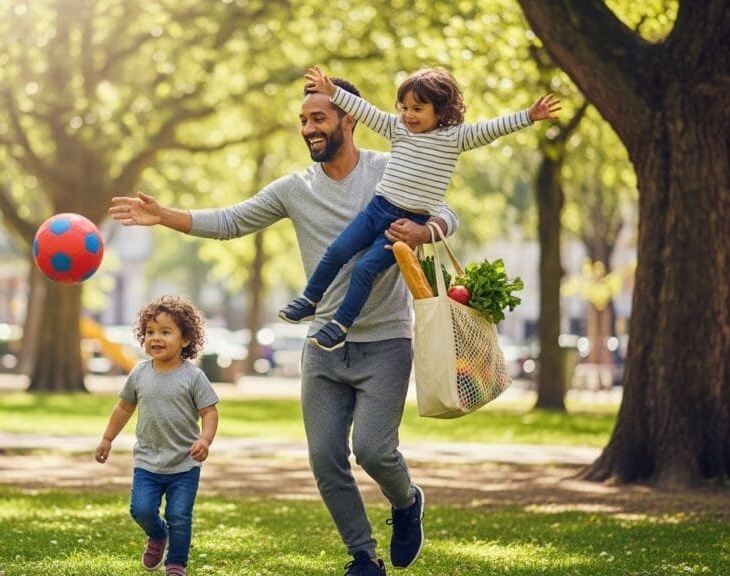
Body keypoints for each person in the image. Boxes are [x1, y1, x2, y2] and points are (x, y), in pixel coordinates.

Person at [109, 77, 458, 575]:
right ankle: (363, 556)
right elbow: (231, 221)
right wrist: (164, 215)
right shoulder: (296, 189)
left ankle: (407, 503)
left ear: (348, 117)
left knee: (375, 451)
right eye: (303, 121)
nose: (309, 129)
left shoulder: (391, 167)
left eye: (318, 118)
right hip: (322, 345)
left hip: (385, 340)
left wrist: (427, 229)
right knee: (325, 458)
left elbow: (446, 210)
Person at [278, 65, 560, 351]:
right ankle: (309, 299)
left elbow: (491, 129)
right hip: (377, 209)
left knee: (364, 269)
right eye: (404, 107)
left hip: (405, 225)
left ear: (440, 110)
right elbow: (364, 110)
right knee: (338, 250)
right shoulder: (397, 128)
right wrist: (333, 92)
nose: (409, 115)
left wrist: (528, 116)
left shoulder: (455, 138)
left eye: (418, 108)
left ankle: (340, 326)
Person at [95, 295, 220, 576]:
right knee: (141, 510)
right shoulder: (139, 373)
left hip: (184, 463)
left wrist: (205, 439)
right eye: (150, 332)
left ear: (186, 339)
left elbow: (209, 412)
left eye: (165, 332)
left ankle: (176, 563)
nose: (156, 338)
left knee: (179, 515)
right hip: (148, 462)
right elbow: (124, 407)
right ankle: (157, 534)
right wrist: (107, 438)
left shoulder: (193, 377)